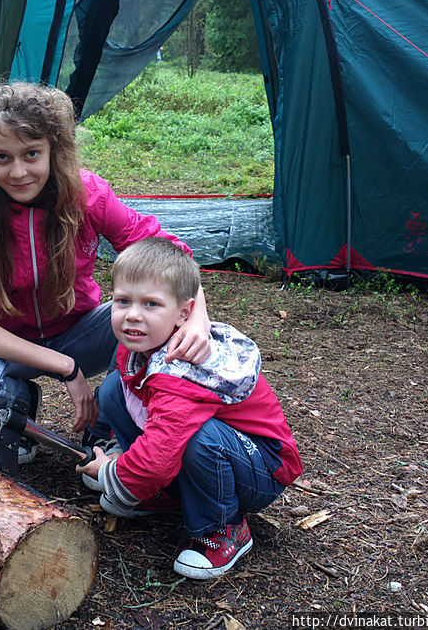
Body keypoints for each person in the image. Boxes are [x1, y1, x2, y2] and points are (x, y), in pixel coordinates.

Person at [0, 82, 211, 459]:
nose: (18, 172)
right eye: (2, 157)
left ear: (53, 150)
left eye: (31, 154)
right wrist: (67, 368)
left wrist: (198, 318)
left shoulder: (86, 194)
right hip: (9, 342)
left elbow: (168, 254)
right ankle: (20, 419)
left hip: (83, 330)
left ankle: (111, 425)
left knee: (154, 317)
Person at [77, 237, 303, 580]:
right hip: (220, 451)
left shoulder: (183, 372)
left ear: (185, 312)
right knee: (113, 389)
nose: (133, 315)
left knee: (201, 437)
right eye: (123, 300)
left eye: (151, 304)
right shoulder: (141, 343)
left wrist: (113, 472)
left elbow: (158, 454)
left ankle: (223, 528)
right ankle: (167, 495)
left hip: (263, 467)